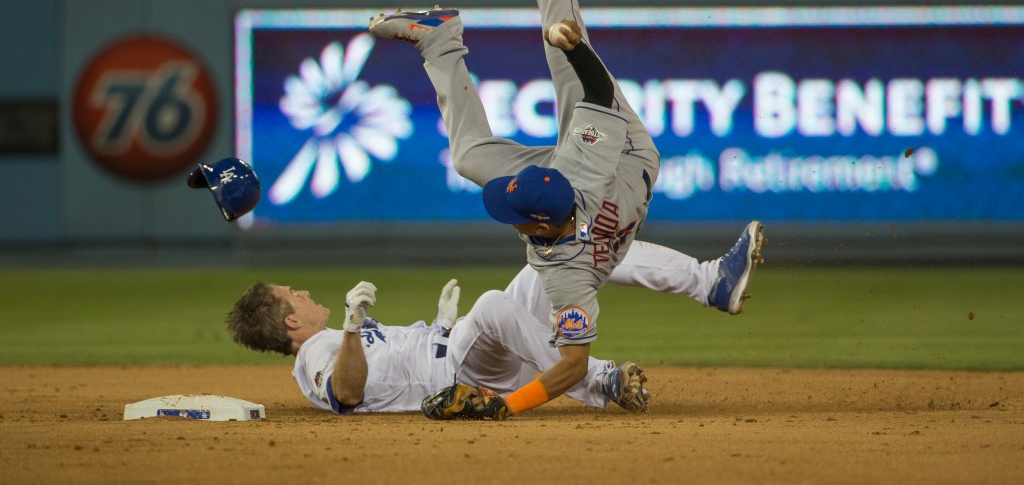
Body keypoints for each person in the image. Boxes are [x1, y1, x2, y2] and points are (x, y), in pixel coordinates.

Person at [368, 0, 765, 421]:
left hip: (602, 196)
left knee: (468, 157)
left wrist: (507, 406)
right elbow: (598, 94)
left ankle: (439, 40)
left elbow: (573, 364)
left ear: (539, 216)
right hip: (621, 153)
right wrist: (575, 47)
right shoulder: (576, 187)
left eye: (514, 210)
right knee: (560, 32)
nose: (508, 215)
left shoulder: (562, 266)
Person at [227, 240, 764, 417]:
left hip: (459, 353)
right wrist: (349, 327)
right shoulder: (312, 357)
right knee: (490, 303)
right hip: (456, 376)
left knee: (555, 254)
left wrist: (440, 325)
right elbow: (347, 393)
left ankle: (711, 281)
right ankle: (600, 379)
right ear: (291, 321)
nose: (301, 292)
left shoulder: (335, 339)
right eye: (291, 295)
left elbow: (391, 366)